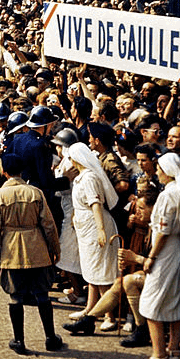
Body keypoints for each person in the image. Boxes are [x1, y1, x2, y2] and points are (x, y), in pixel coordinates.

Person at [0, 152, 65, 354]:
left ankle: (19, 340)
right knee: (42, 294)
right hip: (37, 248)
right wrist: (54, 249)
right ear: (21, 171)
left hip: (11, 250)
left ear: (4, 172)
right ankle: (50, 337)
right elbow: (49, 225)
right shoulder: (35, 193)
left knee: (15, 296)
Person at [136, 151, 180, 359]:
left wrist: (151, 257)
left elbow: (162, 231)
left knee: (151, 303)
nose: (159, 173)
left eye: (161, 169)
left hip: (165, 251)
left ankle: (158, 355)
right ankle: (174, 350)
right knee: (174, 300)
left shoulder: (167, 195)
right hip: (179, 250)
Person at [62, 142, 120, 335]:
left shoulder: (89, 178)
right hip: (84, 228)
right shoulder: (81, 178)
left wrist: (101, 230)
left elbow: (95, 204)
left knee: (101, 271)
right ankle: (90, 309)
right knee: (91, 270)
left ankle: (109, 316)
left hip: (95, 226)